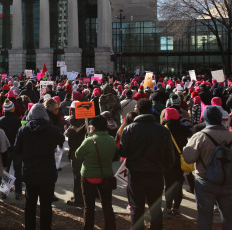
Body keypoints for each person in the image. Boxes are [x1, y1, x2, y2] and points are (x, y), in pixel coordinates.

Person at [183, 106, 232, 229]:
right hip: (227, 182)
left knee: (204, 216)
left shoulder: (200, 136)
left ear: (205, 119)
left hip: (205, 181)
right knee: (229, 217)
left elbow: (188, 158)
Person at [119, 98, 174, 230]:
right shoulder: (163, 130)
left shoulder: (130, 129)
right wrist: (163, 169)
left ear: (137, 110)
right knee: (155, 207)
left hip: (136, 174)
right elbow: (170, 157)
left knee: (137, 208)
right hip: (156, 174)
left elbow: (123, 152)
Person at [14, 103, 65, 230]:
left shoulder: (24, 129)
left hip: (30, 173)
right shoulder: (51, 129)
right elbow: (61, 139)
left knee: (30, 205)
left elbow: (17, 150)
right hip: (47, 173)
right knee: (46, 206)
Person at [75, 115, 117, 230]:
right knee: (107, 205)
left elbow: (77, 154)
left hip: (89, 176)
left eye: (91, 125)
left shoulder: (89, 141)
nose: (89, 126)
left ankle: (88, 227)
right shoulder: (111, 140)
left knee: (89, 206)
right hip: (106, 175)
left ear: (95, 127)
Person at [162, 108, 192, 217]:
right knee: (179, 183)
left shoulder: (163, 129)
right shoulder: (184, 128)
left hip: (167, 161)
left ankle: (168, 207)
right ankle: (176, 208)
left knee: (169, 184)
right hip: (180, 160)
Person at [0, 99, 25, 199]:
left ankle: (4, 192)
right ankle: (18, 193)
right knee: (18, 171)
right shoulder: (18, 121)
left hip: (4, 150)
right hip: (17, 149)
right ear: (13, 109)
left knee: (5, 170)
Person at [64, 100, 86, 206]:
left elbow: (71, 135)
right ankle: (79, 195)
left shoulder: (75, 120)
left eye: (72, 110)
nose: (71, 111)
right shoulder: (84, 120)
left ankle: (79, 199)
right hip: (81, 148)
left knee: (77, 175)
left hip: (76, 149)